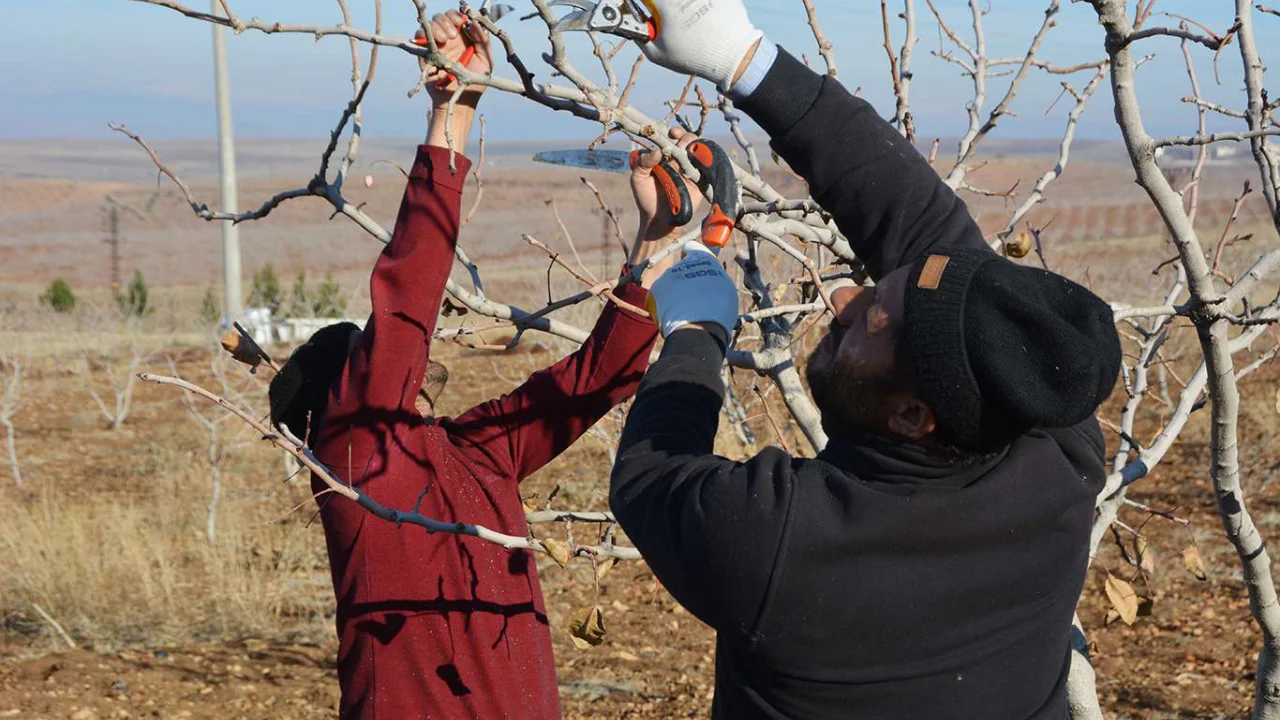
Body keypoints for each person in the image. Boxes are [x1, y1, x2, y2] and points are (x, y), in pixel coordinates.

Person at [611, 2, 1123, 719]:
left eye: (871, 322)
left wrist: (696, 330)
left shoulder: (782, 543)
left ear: (913, 413)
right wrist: (741, 58)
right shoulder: (1049, 436)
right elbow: (913, 215)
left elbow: (650, 477)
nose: (844, 297)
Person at [266, 12, 693, 718]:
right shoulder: (354, 456)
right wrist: (452, 115)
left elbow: (599, 378)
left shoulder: (473, 456)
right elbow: (407, 298)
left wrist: (657, 237)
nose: (394, 358)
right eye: (366, 355)